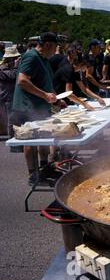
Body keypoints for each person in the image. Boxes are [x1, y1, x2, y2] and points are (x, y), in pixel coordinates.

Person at [10, 32, 58, 185]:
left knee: (43, 136)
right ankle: (33, 175)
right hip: (27, 107)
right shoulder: (31, 56)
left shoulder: (44, 59)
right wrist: (45, 95)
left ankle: (45, 168)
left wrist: (56, 98)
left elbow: (46, 83)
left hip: (39, 107)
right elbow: (22, 81)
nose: (56, 50)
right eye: (55, 47)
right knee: (30, 141)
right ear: (47, 45)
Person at [0, 47, 21, 136]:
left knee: (14, 119)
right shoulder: (2, 69)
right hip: (8, 97)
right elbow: (13, 76)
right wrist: (16, 66)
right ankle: (13, 142)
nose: (17, 60)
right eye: (15, 58)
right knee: (11, 120)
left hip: (11, 96)